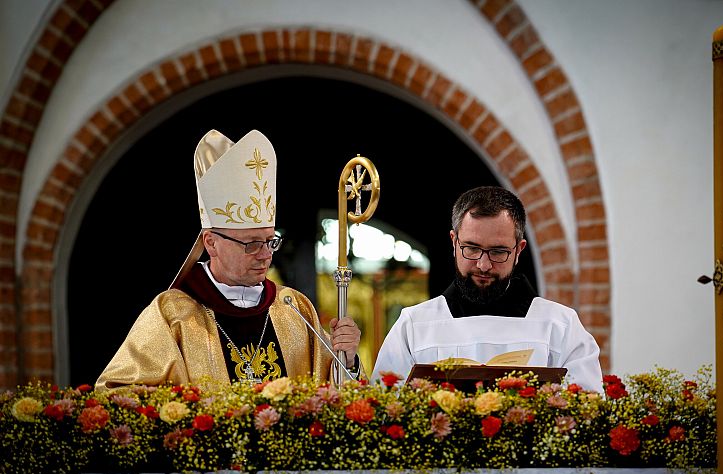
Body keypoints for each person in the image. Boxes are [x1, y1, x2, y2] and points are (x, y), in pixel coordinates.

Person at [96, 129, 361, 392]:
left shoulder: (294, 309)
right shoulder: (174, 313)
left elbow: (333, 398)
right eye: (252, 244)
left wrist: (346, 359)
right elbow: (116, 393)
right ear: (211, 242)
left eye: (270, 241)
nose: (266, 254)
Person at [371, 185, 603, 392]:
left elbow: (586, 414)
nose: (483, 265)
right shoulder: (413, 324)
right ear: (454, 242)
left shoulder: (560, 325)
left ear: (518, 250)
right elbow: (383, 405)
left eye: (498, 252)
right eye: (471, 248)